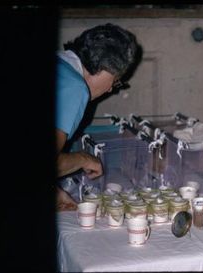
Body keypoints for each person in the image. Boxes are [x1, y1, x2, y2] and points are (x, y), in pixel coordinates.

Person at [55, 23, 139, 211]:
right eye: (115, 80)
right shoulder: (75, 88)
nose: (110, 89)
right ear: (104, 69)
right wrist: (84, 159)